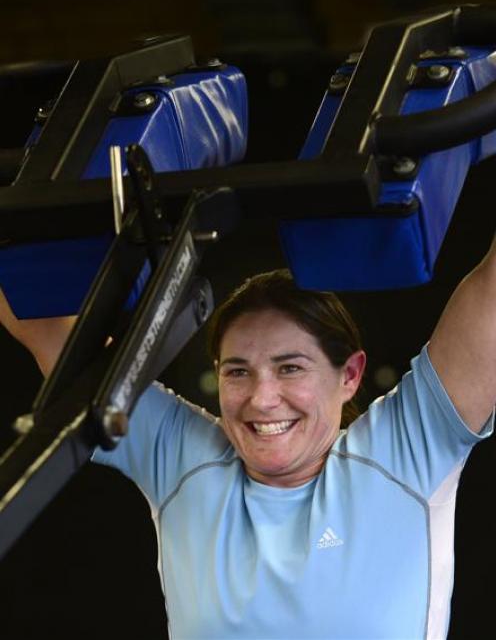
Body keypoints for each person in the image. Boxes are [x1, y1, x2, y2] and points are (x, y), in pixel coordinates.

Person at [0, 243, 494, 639]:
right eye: (238, 372)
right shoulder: (180, 456)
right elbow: (47, 326)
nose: (262, 399)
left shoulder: (408, 448)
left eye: (290, 368)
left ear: (349, 375)